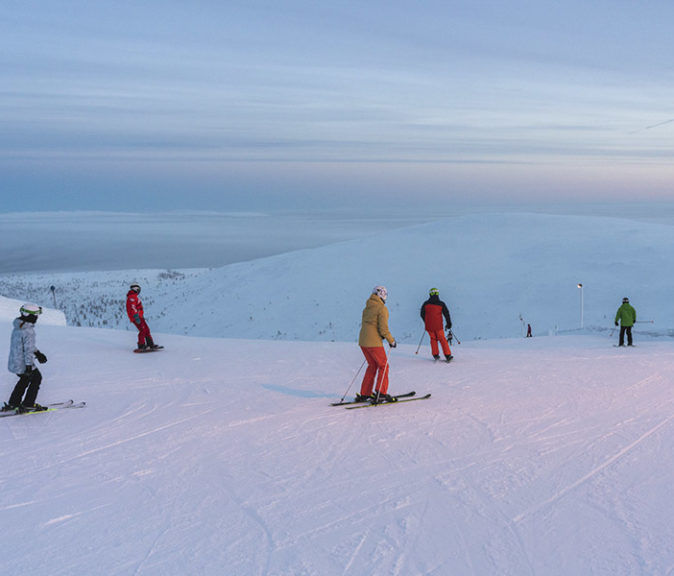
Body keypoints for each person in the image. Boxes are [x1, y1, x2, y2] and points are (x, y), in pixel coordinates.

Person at [3, 303, 48, 412]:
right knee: (36, 378)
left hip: (15, 362)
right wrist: (28, 366)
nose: (37, 318)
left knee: (24, 379)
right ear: (29, 315)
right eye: (35, 315)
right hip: (23, 363)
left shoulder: (19, 326)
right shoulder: (28, 331)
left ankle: (13, 403)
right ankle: (28, 403)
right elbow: (27, 351)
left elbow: (25, 346)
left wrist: (37, 353)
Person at [355, 286, 397, 403]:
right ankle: (381, 393)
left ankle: (365, 393)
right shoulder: (382, 308)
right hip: (374, 343)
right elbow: (383, 329)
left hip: (363, 342)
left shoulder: (367, 307)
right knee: (384, 366)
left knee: (372, 365)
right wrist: (391, 340)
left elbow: (371, 325)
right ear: (382, 295)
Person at [420, 288, 453, 362]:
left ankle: (435, 355)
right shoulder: (441, 304)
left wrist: (426, 322)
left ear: (430, 294)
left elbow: (422, 314)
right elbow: (446, 314)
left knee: (433, 339)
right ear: (437, 294)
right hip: (438, 326)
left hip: (429, 326)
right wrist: (449, 323)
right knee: (442, 339)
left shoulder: (426, 304)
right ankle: (447, 355)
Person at [126, 283, 159, 350]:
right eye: (138, 290)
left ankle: (150, 344)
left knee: (146, 329)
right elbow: (132, 307)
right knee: (143, 330)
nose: (139, 291)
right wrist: (136, 316)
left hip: (139, 317)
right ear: (136, 289)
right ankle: (141, 345)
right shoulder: (131, 297)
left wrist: (140, 315)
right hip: (136, 317)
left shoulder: (134, 296)